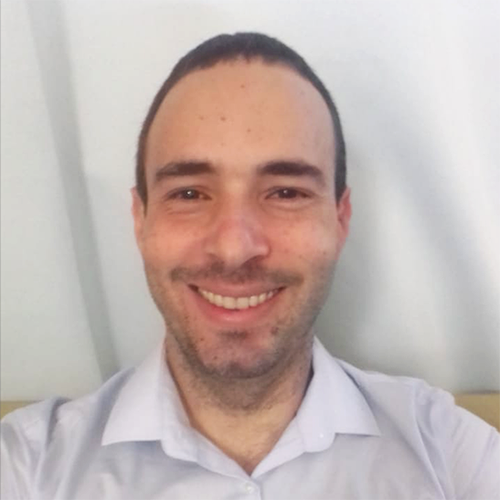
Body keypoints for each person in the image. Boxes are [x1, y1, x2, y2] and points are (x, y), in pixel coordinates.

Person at [1, 32, 499, 500]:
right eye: (189, 194)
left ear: (340, 218)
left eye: (285, 192)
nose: (234, 248)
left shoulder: (451, 457)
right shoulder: (29, 466)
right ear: (140, 219)